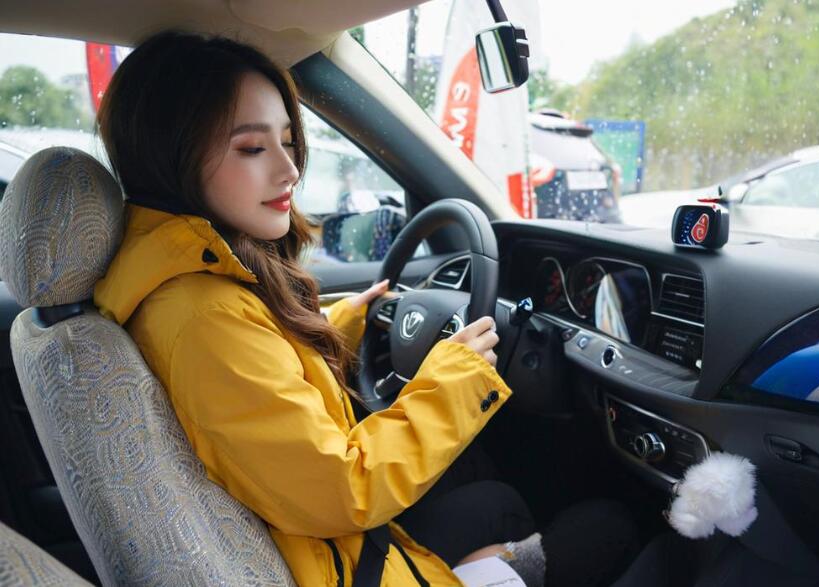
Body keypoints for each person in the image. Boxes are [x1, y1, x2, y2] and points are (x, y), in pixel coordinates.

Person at [93, 30, 637, 586]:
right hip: (342, 563)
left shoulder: (180, 289)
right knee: (611, 528)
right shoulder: (205, 317)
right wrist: (455, 381)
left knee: (491, 493)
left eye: (288, 140)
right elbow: (342, 488)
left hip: (321, 551)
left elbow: (259, 388)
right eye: (252, 148)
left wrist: (341, 325)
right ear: (171, 158)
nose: (289, 170)